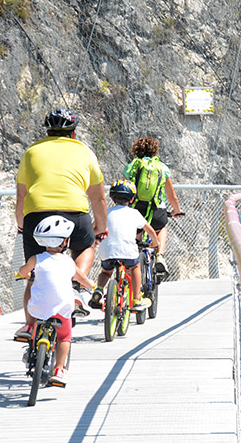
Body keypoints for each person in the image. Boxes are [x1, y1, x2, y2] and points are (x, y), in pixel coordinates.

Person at [15, 108, 107, 337]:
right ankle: (75, 286)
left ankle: (29, 326)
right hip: (74, 211)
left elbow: (21, 196)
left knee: (34, 273)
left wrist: (22, 225)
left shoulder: (31, 152)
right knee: (86, 246)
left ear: (47, 132)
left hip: (36, 214)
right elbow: (98, 198)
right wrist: (100, 228)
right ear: (73, 133)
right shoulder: (85, 152)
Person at [15, 215, 95, 387]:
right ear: (64, 241)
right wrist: (92, 285)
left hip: (38, 307)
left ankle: (30, 338)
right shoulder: (68, 262)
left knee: (36, 314)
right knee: (65, 336)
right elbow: (82, 278)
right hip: (62, 308)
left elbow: (22, 271)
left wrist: (23, 274)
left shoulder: (35, 259)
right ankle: (59, 369)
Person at [89, 180, 160, 311]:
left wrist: (94, 240)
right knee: (135, 267)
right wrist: (155, 243)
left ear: (112, 198)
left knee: (106, 272)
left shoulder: (105, 212)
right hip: (128, 252)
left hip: (107, 251)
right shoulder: (134, 213)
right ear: (132, 199)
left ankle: (99, 289)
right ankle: (136, 299)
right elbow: (149, 230)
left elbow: (93, 229)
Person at [123, 137, 184, 277]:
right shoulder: (162, 167)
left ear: (136, 150)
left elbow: (125, 191)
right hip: (157, 210)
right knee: (161, 228)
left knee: (136, 239)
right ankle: (160, 256)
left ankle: (131, 269)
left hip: (136, 210)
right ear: (155, 151)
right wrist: (176, 210)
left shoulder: (131, 166)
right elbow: (172, 196)